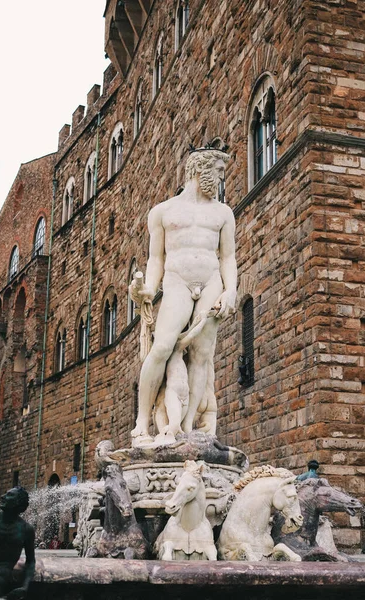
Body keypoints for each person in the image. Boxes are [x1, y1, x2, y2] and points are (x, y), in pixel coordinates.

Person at [130, 142, 237, 446]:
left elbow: (228, 257)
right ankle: (143, 421)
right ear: (200, 169)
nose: (220, 180)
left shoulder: (223, 213)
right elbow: (156, 259)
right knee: (162, 347)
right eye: (218, 172)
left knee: (202, 355)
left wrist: (231, 290)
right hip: (176, 280)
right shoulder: (162, 212)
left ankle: (188, 425)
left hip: (211, 280)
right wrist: (149, 288)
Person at [0, 486, 35, 600]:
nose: (2, 497)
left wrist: (25, 587)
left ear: (18, 503)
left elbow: (30, 561)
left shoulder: (26, 530)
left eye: (9, 495)